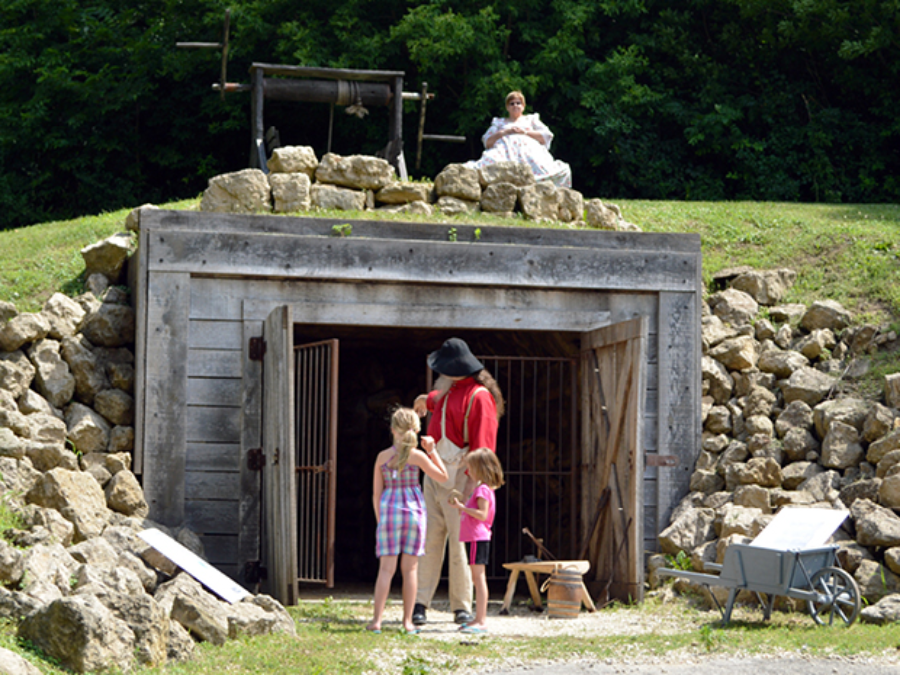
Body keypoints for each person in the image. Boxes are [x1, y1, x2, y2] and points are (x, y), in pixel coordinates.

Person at [411, 337, 505, 626]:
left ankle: (461, 605)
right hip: (434, 471)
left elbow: (483, 450)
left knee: (460, 544)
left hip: (460, 476)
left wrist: (469, 489)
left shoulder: (480, 398)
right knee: (429, 539)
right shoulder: (447, 391)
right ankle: (420, 602)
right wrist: (422, 400)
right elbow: (434, 399)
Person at [367, 407, 449, 635]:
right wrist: (433, 452)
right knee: (411, 570)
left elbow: (376, 493)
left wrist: (379, 519)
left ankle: (376, 622)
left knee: (385, 570)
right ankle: (407, 622)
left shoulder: (382, 457)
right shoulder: (418, 457)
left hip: (388, 512)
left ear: (393, 430)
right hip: (413, 512)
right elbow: (443, 477)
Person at [464, 90, 572, 188]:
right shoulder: (499, 122)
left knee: (549, 167)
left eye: (518, 103)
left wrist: (525, 132)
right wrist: (504, 132)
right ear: (507, 107)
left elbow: (546, 136)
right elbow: (487, 141)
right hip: (504, 152)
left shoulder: (531, 119)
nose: (515, 105)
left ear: (523, 106)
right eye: (512, 103)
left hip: (529, 152)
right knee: (489, 163)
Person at [450, 448, 505, 634]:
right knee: (477, 578)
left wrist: (462, 508)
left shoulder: (482, 489)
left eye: (471, 468)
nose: (469, 472)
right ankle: (478, 618)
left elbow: (482, 514)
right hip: (476, 537)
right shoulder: (485, 488)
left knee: (478, 579)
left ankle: (481, 620)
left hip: (476, 537)